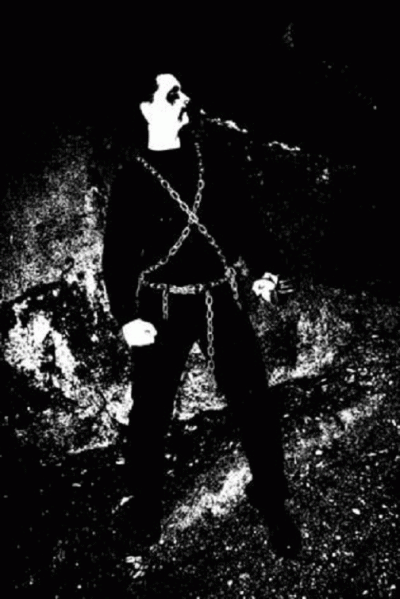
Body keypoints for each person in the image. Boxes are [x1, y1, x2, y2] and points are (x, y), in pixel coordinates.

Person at [102, 69, 301, 559]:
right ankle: (145, 507)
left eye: (183, 90)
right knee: (150, 412)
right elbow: (118, 257)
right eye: (172, 94)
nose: (185, 98)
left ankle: (272, 499)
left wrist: (265, 270)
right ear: (146, 109)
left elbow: (247, 223)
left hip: (219, 299)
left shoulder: (212, 159)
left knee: (254, 402)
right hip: (162, 306)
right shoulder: (131, 178)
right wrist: (126, 317)